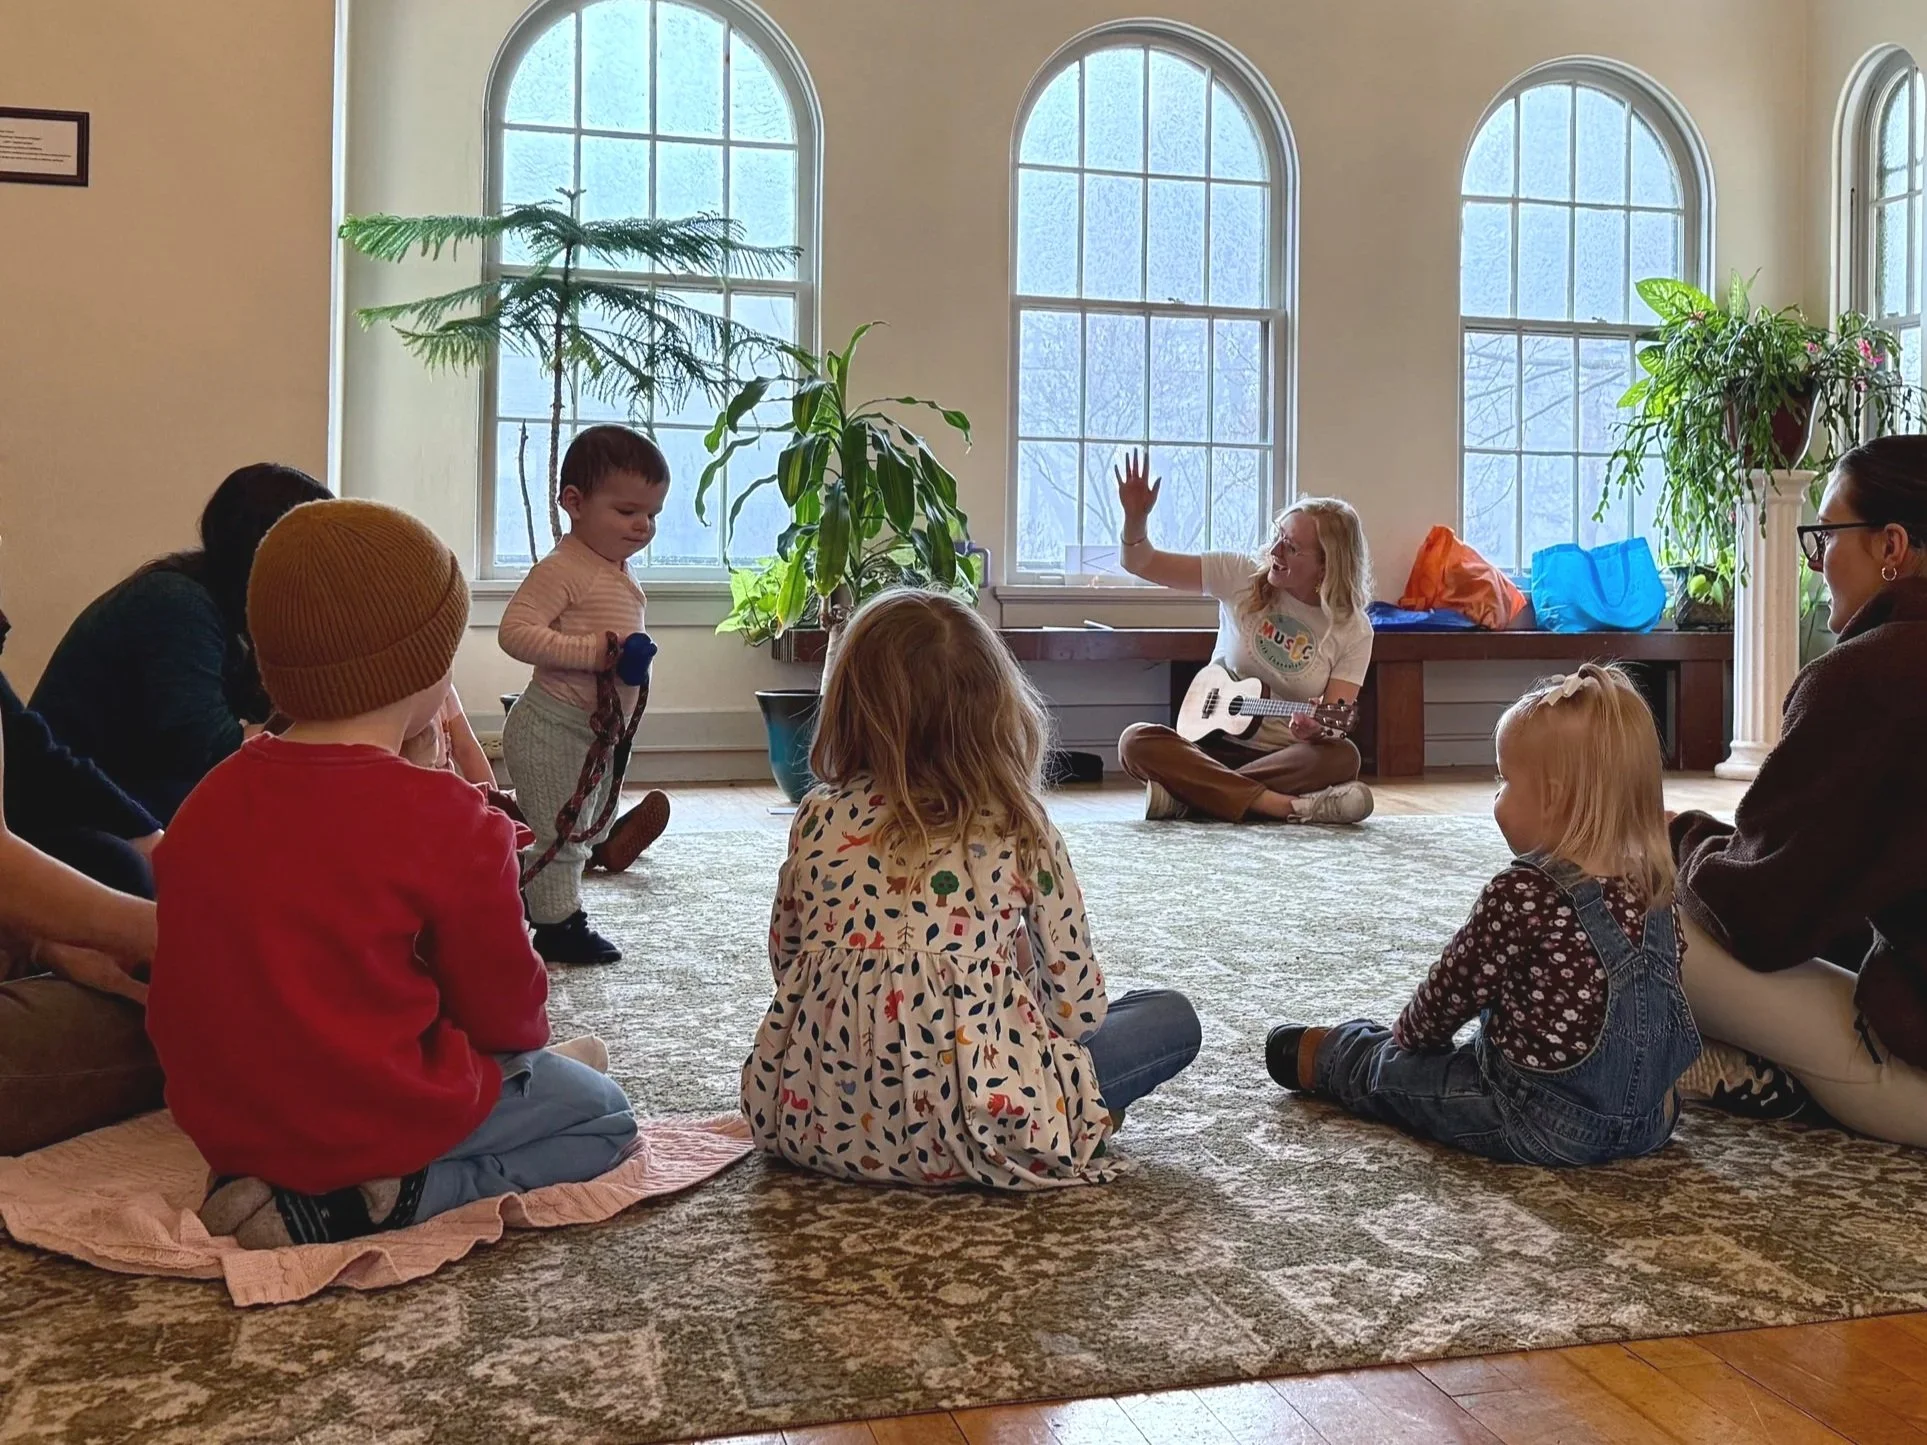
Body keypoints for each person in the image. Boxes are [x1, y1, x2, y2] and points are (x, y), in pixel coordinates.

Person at [147, 498, 637, 1248]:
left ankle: (279, 1187)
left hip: (231, 1127)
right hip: (378, 1114)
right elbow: (513, 1019)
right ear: (428, 672)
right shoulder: (446, 818)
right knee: (606, 1118)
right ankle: (392, 1196)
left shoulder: (206, 800)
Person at [742, 589, 1202, 1189]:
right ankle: (1068, 1126)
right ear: (997, 709)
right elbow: (1078, 1010)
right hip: (980, 1125)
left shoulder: (818, 815)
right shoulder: (1020, 825)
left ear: (851, 706)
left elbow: (789, 964)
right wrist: (998, 993)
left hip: (815, 1122)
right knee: (1168, 1017)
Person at [1265, 664, 1699, 1166]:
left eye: (1504, 780)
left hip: (1539, 1120)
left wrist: (1409, 1040)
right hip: (1651, 1121)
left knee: (1401, 1073)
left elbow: (1451, 990)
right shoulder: (1656, 885)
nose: (1496, 795)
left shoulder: (1524, 892)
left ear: (1554, 797)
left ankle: (1337, 1057)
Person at [1669, 433, 1927, 1146]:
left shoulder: (1871, 674)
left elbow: (1754, 915)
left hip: (1917, 1079)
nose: (1816, 563)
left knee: (1624, 898)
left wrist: (1672, 838)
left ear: (1891, 546)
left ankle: (1749, 1071)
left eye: (1825, 536)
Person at [31, 463, 331, 824]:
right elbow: (209, 748)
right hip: (74, 815)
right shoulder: (176, 602)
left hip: (123, 800)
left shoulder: (225, 605)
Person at [1110, 450, 1376, 825]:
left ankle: (1191, 797)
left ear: (1325, 567)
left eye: (1291, 547)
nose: (1274, 551)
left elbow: (1332, 720)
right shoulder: (1237, 574)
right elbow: (1142, 563)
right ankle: (1281, 806)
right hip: (1209, 749)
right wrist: (1135, 518)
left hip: (1284, 759)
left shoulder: (1353, 629)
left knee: (1343, 756)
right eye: (1277, 536)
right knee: (1136, 741)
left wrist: (1316, 728)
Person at [499, 426, 674, 965]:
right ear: (573, 503)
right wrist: (597, 652)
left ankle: (537, 886)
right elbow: (515, 633)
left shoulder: (613, 569)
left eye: (652, 514)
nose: (643, 525)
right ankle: (558, 928)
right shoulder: (562, 569)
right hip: (553, 725)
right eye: (627, 512)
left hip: (596, 731)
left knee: (586, 820)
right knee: (564, 831)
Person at [1, 604, 161, 900]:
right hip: (28, 810)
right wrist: (163, 933)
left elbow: (31, 751)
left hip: (31, 802)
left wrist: (146, 832)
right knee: (123, 867)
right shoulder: (179, 607)